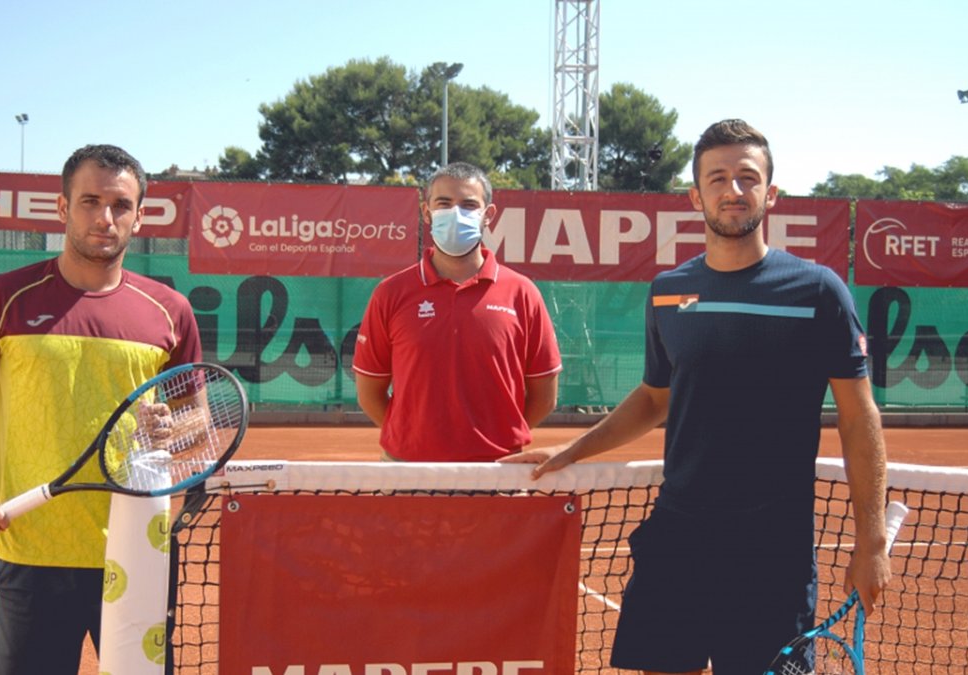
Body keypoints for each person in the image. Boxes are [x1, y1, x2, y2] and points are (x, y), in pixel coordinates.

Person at [501, 120, 891, 674]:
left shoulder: (819, 291)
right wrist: (571, 451)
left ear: (770, 193)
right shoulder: (667, 292)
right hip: (679, 536)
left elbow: (859, 418)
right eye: (718, 178)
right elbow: (654, 398)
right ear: (695, 195)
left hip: (772, 552)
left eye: (747, 178)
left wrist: (871, 542)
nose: (734, 191)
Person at [0, 144, 202, 674]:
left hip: (139, 552)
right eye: (90, 201)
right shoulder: (3, 297)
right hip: (33, 551)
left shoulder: (171, 313)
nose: (105, 218)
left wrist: (173, 430)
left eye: (121, 205)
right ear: (63, 208)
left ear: (140, 217)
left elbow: (198, 422)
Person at [352, 161, 562, 461]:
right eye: (444, 203)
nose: (456, 213)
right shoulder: (390, 293)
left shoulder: (523, 292)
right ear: (427, 212)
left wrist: (497, 441)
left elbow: (544, 396)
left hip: (499, 471)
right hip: (407, 471)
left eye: (468, 205)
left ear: (488, 215)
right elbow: (370, 393)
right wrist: (411, 439)